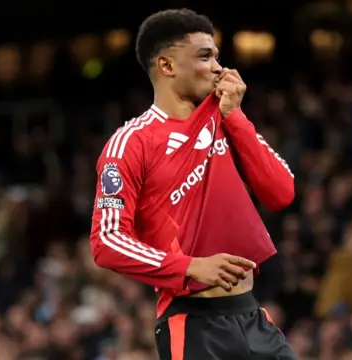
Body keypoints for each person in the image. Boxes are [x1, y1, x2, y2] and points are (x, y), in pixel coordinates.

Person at [88, 8, 296, 360]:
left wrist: (236, 116)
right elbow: (106, 241)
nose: (219, 67)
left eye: (217, 56)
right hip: (194, 324)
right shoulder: (131, 142)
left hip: (252, 315)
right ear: (167, 66)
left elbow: (281, 193)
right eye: (204, 56)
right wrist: (189, 266)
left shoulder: (224, 118)